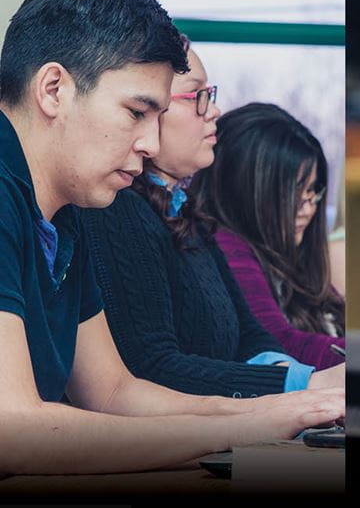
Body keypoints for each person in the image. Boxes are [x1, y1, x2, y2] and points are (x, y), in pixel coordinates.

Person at [0, 0, 341, 475]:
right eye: (136, 112)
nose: (152, 145)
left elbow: (113, 391)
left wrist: (278, 410)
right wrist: (239, 427)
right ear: (54, 89)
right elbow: (14, 431)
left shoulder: (66, 212)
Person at [81, 42, 343, 397]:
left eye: (210, 94)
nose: (214, 110)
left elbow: (252, 337)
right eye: (197, 96)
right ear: (149, 109)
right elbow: (152, 366)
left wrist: (297, 378)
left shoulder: (192, 219)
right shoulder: (117, 210)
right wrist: (305, 384)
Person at [189, 102, 346, 370]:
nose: (307, 210)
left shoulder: (292, 257)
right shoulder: (223, 246)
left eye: (313, 192)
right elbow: (279, 343)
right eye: (292, 196)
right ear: (244, 190)